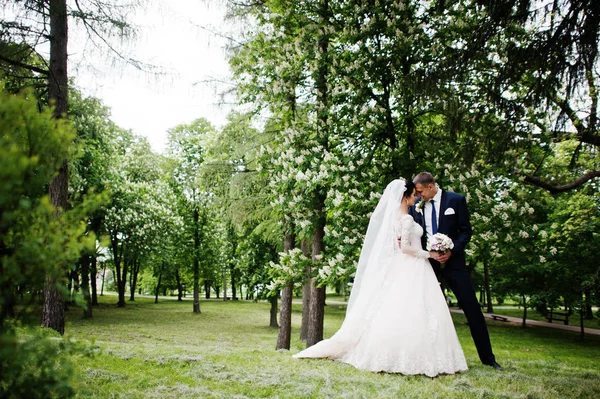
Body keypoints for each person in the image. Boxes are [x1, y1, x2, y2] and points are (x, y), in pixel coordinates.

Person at [293, 179, 468, 377]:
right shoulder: (407, 218)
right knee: (415, 310)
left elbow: (399, 244)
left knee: (401, 309)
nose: (416, 198)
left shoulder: (396, 216)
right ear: (405, 196)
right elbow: (405, 248)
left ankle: (396, 351)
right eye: (413, 195)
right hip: (414, 265)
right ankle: (406, 355)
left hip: (406, 265)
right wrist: (430, 254)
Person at [410, 172, 503, 371]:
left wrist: (451, 251)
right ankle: (426, 358)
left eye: (420, 191)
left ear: (431, 186)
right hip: (428, 266)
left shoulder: (456, 200)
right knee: (423, 310)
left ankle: (488, 358)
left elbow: (466, 231)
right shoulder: (415, 206)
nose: (418, 196)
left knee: (472, 308)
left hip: (455, 264)